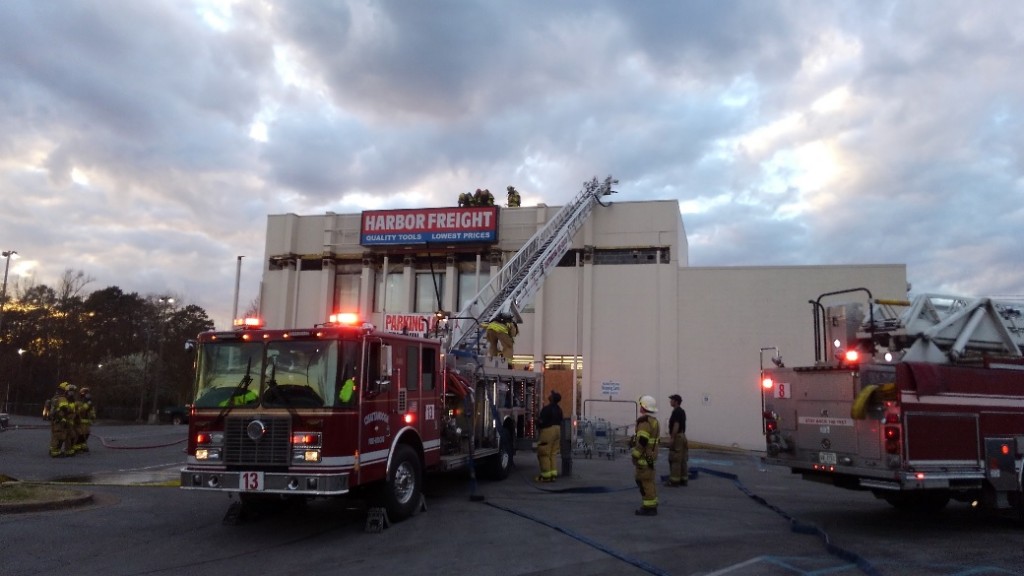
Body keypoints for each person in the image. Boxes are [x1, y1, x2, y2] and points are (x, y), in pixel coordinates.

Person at [631, 395, 660, 515]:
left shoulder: (644, 422)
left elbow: (642, 441)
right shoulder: (654, 421)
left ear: (644, 407)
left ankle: (649, 507)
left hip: (644, 457)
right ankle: (651, 503)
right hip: (650, 457)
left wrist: (635, 455)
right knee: (648, 480)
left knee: (644, 481)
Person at [535, 391, 563, 482]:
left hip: (548, 431)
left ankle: (546, 476)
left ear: (552, 398)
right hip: (558, 430)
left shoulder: (547, 409)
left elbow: (541, 421)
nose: (549, 395)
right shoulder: (559, 409)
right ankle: (553, 474)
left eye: (551, 395)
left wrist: (537, 422)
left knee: (544, 453)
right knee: (553, 453)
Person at [664, 394, 688, 487]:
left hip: (677, 437)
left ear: (676, 402)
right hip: (682, 436)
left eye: (672, 400)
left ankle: (674, 481)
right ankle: (683, 479)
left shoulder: (676, 412)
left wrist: (672, 438)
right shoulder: (682, 411)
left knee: (675, 459)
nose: (670, 401)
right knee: (682, 459)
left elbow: (676, 425)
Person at [75, 387, 97, 453]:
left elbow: (91, 410)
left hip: (87, 421)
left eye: (88, 393)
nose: (87, 395)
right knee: (80, 434)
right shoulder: (78, 402)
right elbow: (80, 411)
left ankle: (83, 445)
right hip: (80, 421)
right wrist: (87, 405)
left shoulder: (89, 403)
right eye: (86, 393)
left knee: (87, 434)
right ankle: (77, 447)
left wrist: (93, 416)